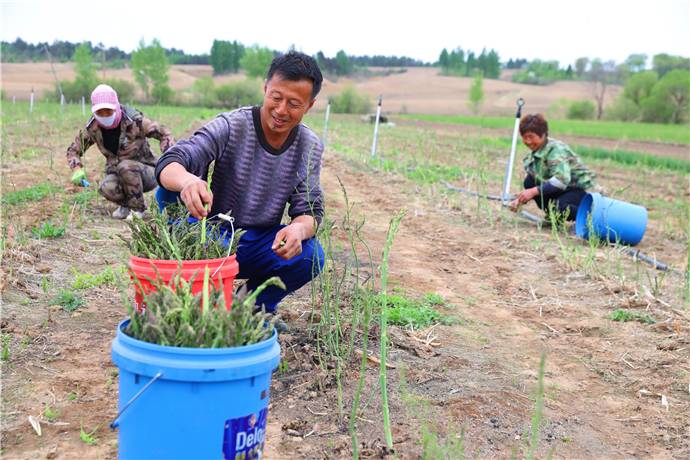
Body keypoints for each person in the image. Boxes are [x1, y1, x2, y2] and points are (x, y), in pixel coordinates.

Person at [155, 51, 325, 316]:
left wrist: (298, 231)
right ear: (265, 88)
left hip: (260, 244)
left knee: (312, 254)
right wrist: (188, 181)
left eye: (294, 104)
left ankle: (249, 307)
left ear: (310, 105)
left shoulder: (309, 146)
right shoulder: (233, 125)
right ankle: (189, 292)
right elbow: (171, 161)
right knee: (166, 190)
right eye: (276, 98)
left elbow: (310, 212)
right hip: (211, 237)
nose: (281, 110)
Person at [66, 84, 175, 220]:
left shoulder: (134, 121)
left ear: (116, 107)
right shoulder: (93, 128)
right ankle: (127, 205)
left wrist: (168, 155)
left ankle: (138, 210)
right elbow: (73, 150)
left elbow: (165, 134)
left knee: (126, 166)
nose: (105, 116)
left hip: (147, 172)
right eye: (100, 112)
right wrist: (76, 168)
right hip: (118, 172)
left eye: (108, 111)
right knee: (106, 187)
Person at [509, 113, 596, 221]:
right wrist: (520, 200)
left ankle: (589, 219)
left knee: (558, 206)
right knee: (529, 181)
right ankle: (553, 215)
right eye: (524, 137)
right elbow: (537, 182)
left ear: (543, 134)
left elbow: (561, 180)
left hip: (580, 190)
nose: (528, 141)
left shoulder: (556, 150)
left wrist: (532, 192)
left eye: (531, 136)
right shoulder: (536, 153)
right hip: (563, 189)